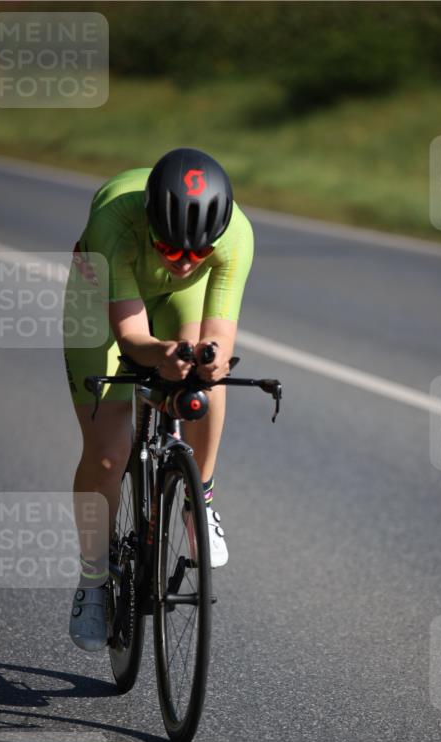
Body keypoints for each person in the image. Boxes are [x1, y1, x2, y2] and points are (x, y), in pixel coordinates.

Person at [63, 148, 254, 651]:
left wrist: (209, 360)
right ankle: (93, 579)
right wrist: (161, 354)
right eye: (171, 249)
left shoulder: (236, 235)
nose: (186, 262)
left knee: (202, 383)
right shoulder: (114, 224)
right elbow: (131, 338)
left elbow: (220, 334)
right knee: (108, 454)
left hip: (176, 302)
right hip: (100, 301)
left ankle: (199, 499)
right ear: (150, 224)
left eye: (199, 253)